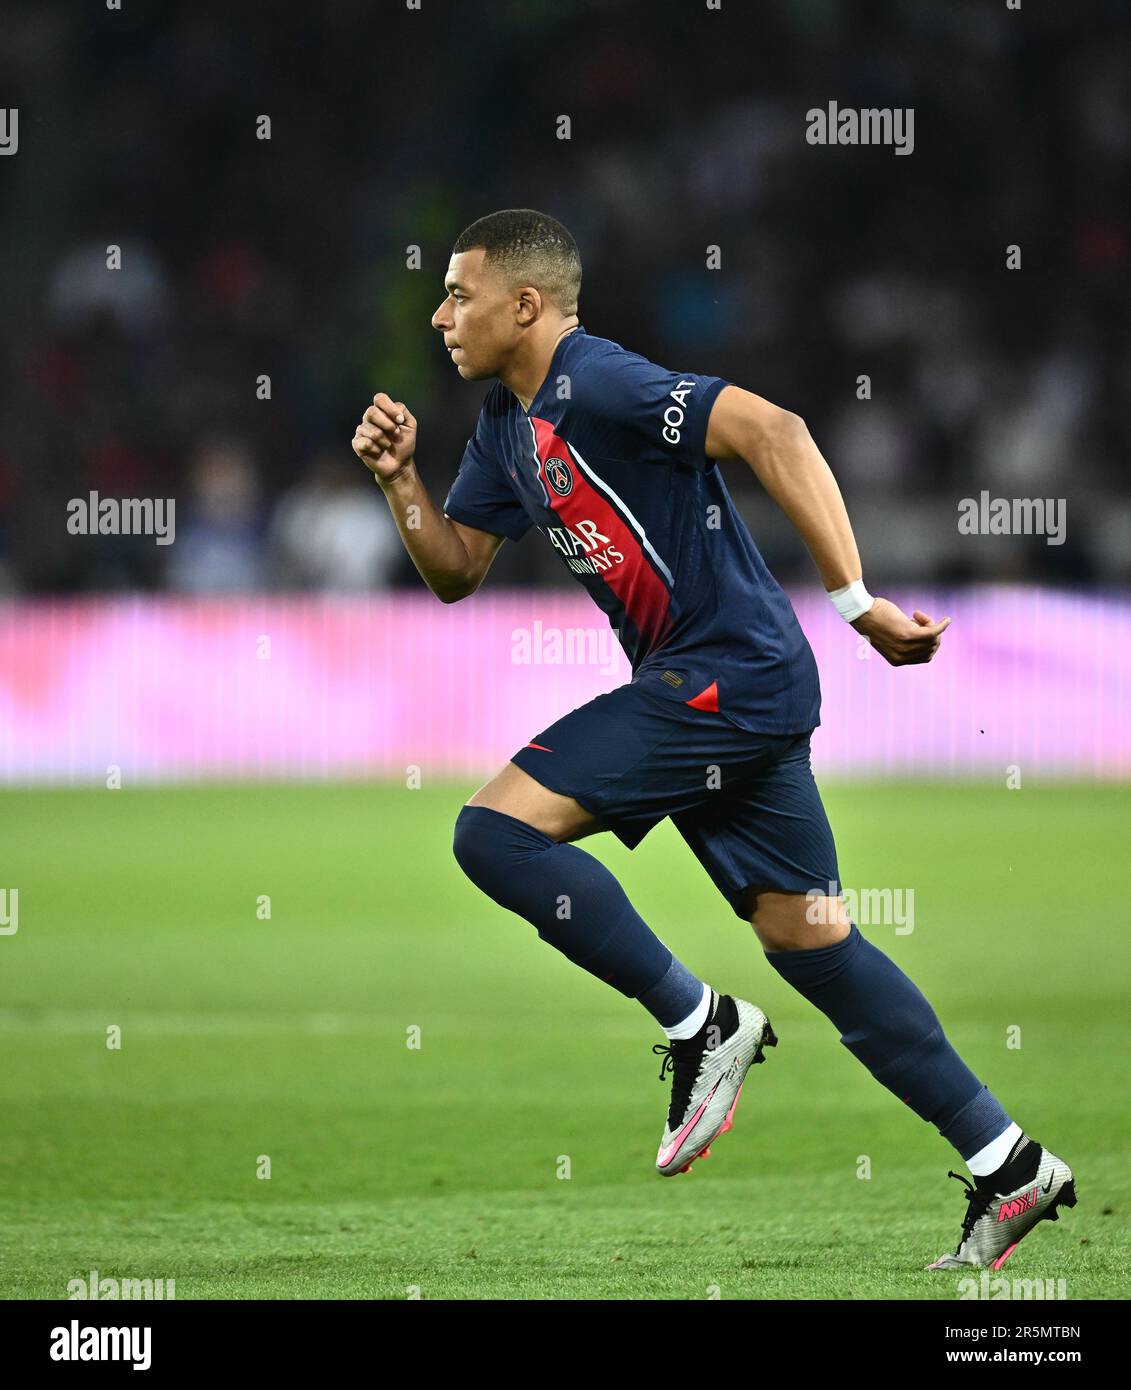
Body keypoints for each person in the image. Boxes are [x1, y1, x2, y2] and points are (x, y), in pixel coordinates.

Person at [351, 208, 1076, 1270]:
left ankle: (701, 1024)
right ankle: (1011, 1165)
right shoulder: (506, 430)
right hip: (724, 687)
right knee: (812, 941)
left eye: (459, 294)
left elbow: (774, 429)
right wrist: (400, 483)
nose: (439, 313)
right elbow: (457, 568)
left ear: (525, 305)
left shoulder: (596, 382)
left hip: (728, 676)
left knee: (493, 834)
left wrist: (858, 600)